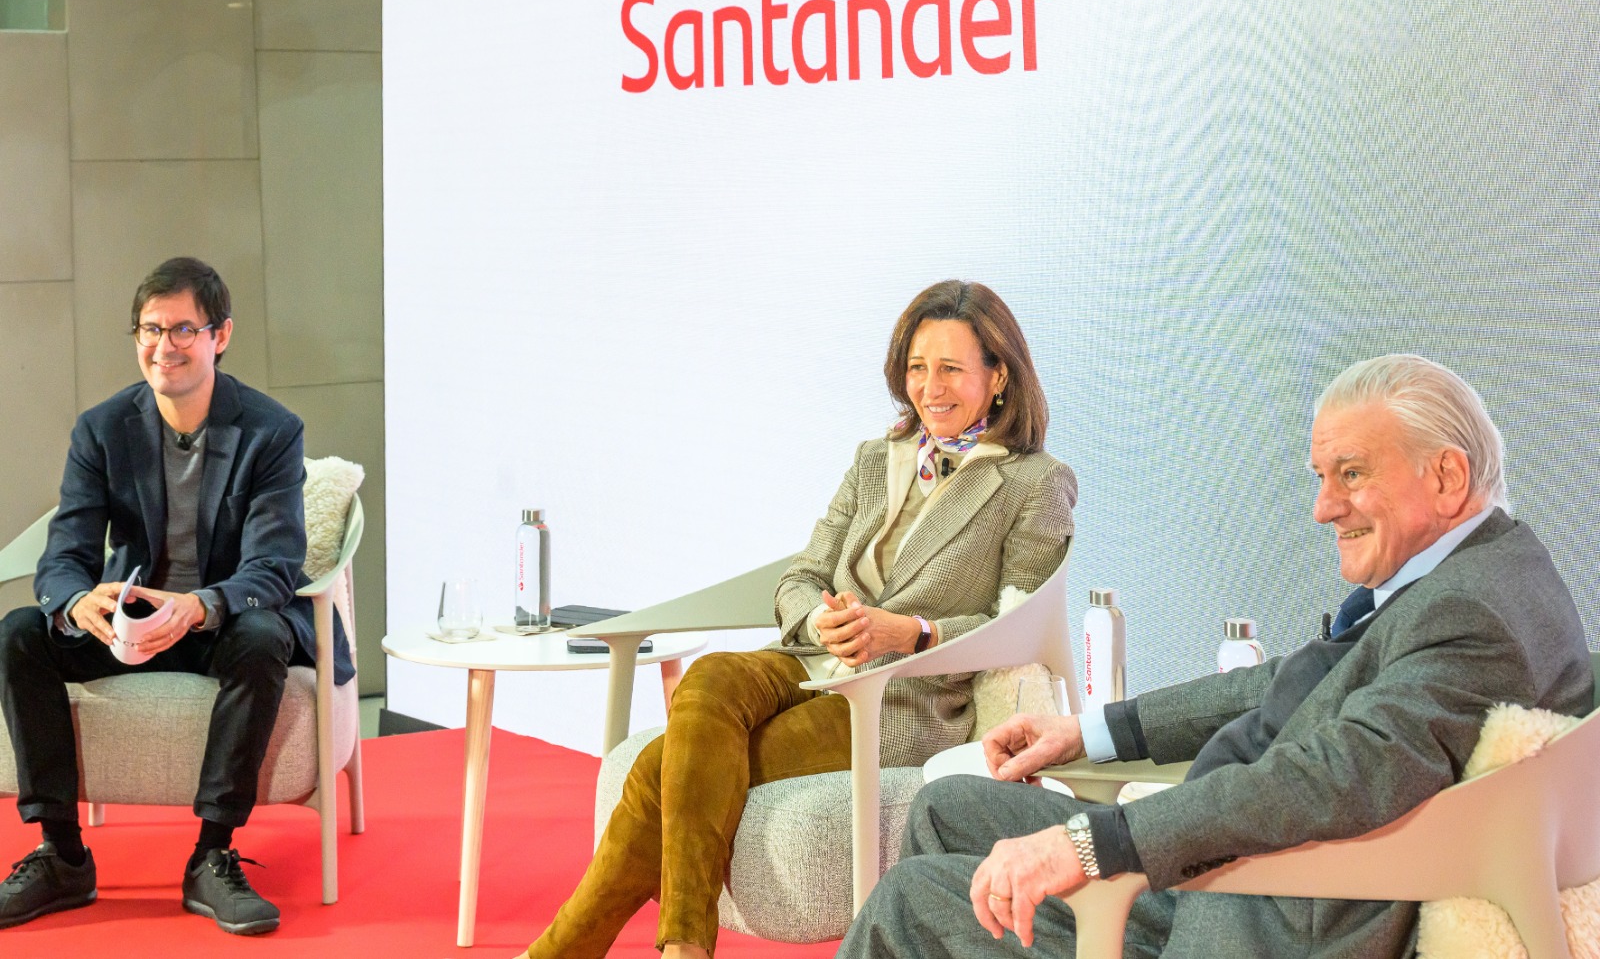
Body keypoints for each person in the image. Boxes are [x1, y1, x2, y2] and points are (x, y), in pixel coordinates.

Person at [839, 353, 1594, 959]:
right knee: (946, 808)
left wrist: (1098, 843)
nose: (1323, 507)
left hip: (1259, 907)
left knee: (911, 901)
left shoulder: (1470, 613)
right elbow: (1288, 684)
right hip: (1240, 871)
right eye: (1321, 478)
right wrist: (1091, 732)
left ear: (1447, 476)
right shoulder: (1482, 573)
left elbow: (1337, 775)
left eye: (1352, 474)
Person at [521, 280, 1077, 959]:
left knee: (662, 765)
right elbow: (801, 575)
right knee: (712, 676)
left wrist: (914, 633)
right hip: (810, 658)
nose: (931, 387)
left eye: (952, 369)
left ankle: (611, 950)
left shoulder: (1034, 483)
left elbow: (1019, 624)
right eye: (917, 368)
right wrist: (819, 620)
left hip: (899, 692)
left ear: (998, 378)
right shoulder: (876, 460)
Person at [0, 257, 352, 935]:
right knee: (20, 630)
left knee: (263, 635)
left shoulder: (271, 432)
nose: (165, 347)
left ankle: (213, 855)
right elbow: (66, 552)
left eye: (184, 329)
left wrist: (203, 604)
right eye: (151, 329)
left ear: (221, 335)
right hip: (131, 623)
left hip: (221, 620)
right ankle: (61, 856)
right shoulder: (101, 429)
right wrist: (77, 602)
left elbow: (275, 566)